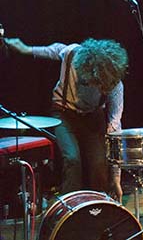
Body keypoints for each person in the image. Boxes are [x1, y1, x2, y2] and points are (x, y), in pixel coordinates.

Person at [5, 37, 128, 202]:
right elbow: (55, 50)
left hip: (92, 117)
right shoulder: (73, 54)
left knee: (99, 165)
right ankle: (68, 209)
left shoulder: (115, 84)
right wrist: (28, 49)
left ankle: (99, 208)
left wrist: (116, 179)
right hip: (63, 112)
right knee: (72, 159)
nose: (98, 87)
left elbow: (114, 128)